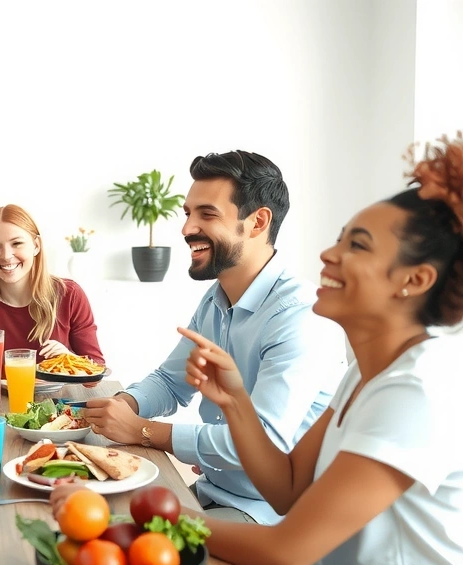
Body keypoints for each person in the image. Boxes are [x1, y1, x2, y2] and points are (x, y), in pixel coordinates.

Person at [168, 135, 463, 565]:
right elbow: (287, 490)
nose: (328, 254)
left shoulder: (416, 391)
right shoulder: (366, 373)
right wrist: (236, 401)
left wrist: (153, 516)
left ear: (413, 280)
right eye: (340, 238)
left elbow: (285, 552)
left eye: (357, 245)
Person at [83, 151, 346, 525]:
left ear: (257, 222)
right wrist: (123, 404)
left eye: (207, 214)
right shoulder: (217, 298)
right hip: (214, 493)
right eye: (188, 213)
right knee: (92, 514)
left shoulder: (300, 317)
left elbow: (262, 444)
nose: (187, 228)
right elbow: (170, 382)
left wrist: (142, 431)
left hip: (272, 516)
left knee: (114, 537)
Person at [0, 204, 104, 384]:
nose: (6, 256)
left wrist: (69, 359)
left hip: (57, 400)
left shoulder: (70, 294)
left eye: (17, 243)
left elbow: (96, 375)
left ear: (36, 246)